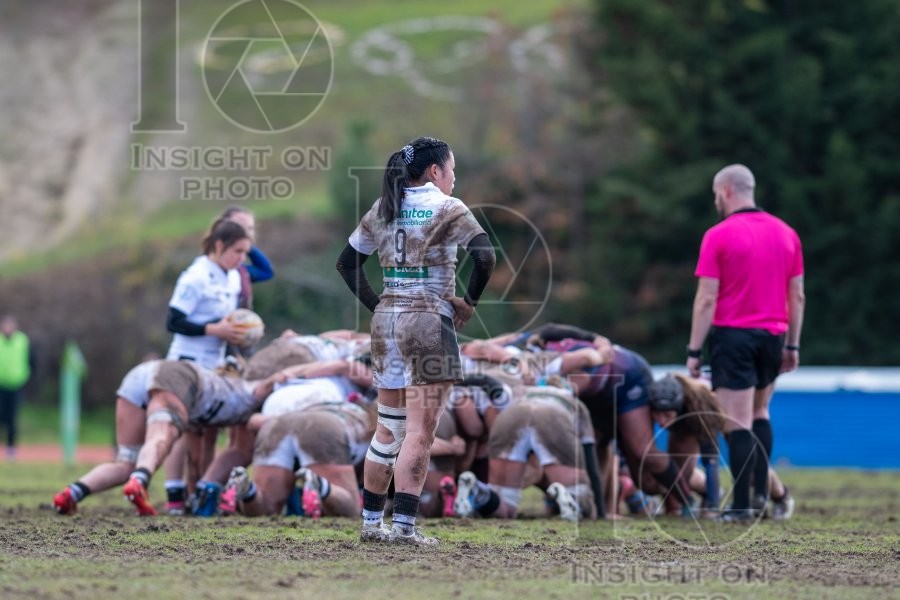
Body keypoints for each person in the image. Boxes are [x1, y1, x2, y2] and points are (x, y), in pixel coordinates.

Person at [336, 136, 496, 545]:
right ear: (434, 171)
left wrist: (379, 304)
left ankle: (372, 525)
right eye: (453, 169)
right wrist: (470, 303)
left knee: (387, 431)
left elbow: (346, 263)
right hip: (427, 320)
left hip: (387, 322)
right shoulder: (447, 207)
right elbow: (485, 256)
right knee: (421, 433)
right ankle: (404, 528)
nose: (454, 177)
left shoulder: (383, 206)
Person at [686, 164, 804, 521]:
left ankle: (741, 506)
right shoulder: (787, 234)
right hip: (774, 335)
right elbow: (797, 295)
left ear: (725, 192)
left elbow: (707, 298)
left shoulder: (718, 235)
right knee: (759, 413)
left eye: (715, 196)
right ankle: (758, 498)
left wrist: (694, 350)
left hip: (733, 336)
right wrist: (792, 345)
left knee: (734, 421)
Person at [162, 219, 252, 512]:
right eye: (237, 251)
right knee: (181, 430)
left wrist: (238, 341)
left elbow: (228, 322)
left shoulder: (235, 276)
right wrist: (215, 331)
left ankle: (200, 490)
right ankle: (175, 496)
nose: (241, 258)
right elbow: (173, 321)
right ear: (218, 245)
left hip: (214, 366)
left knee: (209, 429)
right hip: (186, 365)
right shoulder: (195, 276)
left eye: (244, 252)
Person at [0, 315, 34, 459]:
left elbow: (32, 361)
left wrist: (25, 377)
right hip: (0, 385)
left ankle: (11, 448)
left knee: (12, 418)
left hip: (16, 385)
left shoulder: (22, 341)